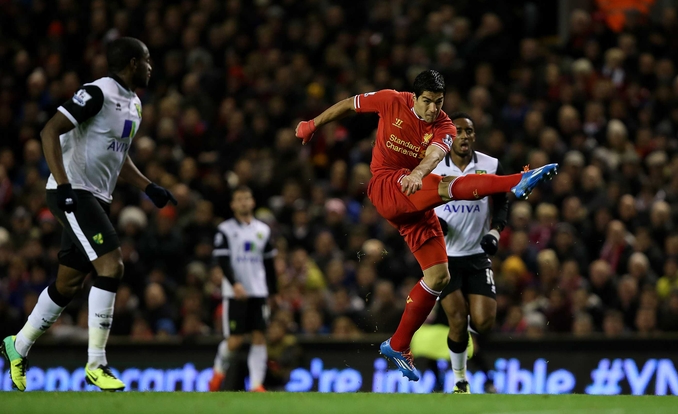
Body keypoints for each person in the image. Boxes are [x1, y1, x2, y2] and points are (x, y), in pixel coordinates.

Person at [295, 70, 558, 381]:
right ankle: (517, 181)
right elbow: (348, 105)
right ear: (415, 97)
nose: (434, 109)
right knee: (450, 185)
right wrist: (313, 124)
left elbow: (434, 154)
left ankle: (398, 343)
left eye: (439, 102)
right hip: (387, 185)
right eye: (428, 102)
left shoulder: (445, 125)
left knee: (438, 276)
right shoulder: (391, 100)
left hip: (412, 193)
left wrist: (418, 173)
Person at [1, 37, 176, 392]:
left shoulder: (134, 104)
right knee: (112, 265)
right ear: (131, 63)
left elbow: (117, 155)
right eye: (146, 60)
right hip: (73, 191)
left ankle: (16, 346)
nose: (150, 67)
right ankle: (97, 363)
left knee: (67, 284)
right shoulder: (97, 93)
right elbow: (50, 130)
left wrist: (147, 186)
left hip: (97, 196)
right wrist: (64, 185)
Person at [433, 113, 508, 394]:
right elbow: (417, 202)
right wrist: (432, 224)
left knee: (484, 322)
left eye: (469, 131)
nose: (464, 136)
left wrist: (495, 232)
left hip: (477, 255)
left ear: (475, 136)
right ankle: (460, 379)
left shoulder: (490, 165)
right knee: (456, 318)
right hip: (444, 258)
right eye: (459, 131)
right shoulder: (434, 165)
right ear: (450, 136)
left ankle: (465, 343)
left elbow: (501, 203)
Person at [208, 186, 278, 392]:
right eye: (239, 199)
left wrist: (273, 292)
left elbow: (269, 264)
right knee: (235, 340)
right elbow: (222, 260)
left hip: (259, 291)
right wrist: (235, 284)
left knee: (258, 336)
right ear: (233, 205)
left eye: (247, 198)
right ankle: (219, 369)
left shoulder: (263, 230)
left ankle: (256, 384)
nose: (244, 202)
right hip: (235, 293)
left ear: (253, 202)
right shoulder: (225, 230)